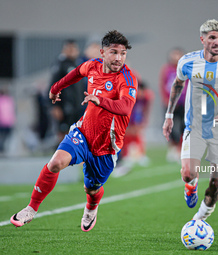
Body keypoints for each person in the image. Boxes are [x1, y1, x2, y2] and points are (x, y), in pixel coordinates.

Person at [10, 30, 138, 232]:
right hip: (83, 133)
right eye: (114, 52)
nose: (119, 58)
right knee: (55, 163)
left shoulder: (126, 78)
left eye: (123, 54)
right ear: (102, 52)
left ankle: (91, 207)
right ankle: (31, 208)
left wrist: (100, 100)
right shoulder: (93, 66)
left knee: (92, 188)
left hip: (106, 146)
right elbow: (75, 73)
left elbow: (126, 107)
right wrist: (55, 88)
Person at [162, 19, 218, 221]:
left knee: (216, 183)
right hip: (196, 127)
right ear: (202, 39)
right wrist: (169, 115)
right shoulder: (187, 62)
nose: (217, 42)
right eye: (212, 38)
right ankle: (190, 185)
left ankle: (199, 220)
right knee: (187, 173)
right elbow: (177, 85)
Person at [112, 81, 154, 177]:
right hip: (121, 117)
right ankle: (122, 158)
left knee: (136, 133)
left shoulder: (145, 98)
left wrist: (142, 121)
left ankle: (138, 155)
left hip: (133, 117)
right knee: (121, 136)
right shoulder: (129, 97)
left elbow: (144, 109)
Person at [49, 39, 83, 143]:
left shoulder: (78, 64)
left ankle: (72, 157)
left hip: (77, 106)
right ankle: (60, 157)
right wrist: (55, 106)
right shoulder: (60, 65)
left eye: (74, 48)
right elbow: (53, 85)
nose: (72, 51)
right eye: (69, 48)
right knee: (64, 134)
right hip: (64, 106)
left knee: (76, 133)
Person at [159, 48, 187, 162]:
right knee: (170, 127)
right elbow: (163, 84)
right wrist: (166, 100)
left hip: (183, 103)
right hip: (170, 103)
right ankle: (172, 148)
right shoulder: (166, 69)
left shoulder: (185, 69)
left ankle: (181, 149)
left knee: (183, 127)